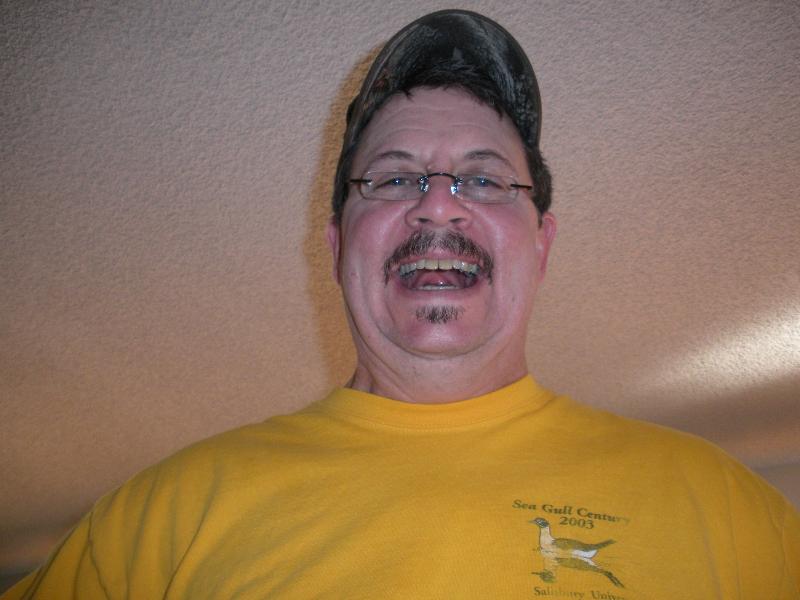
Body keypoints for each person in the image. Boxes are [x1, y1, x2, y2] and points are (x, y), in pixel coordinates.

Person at [4, 9, 798, 599]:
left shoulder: (729, 509)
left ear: (542, 243)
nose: (438, 205)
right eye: (393, 179)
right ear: (335, 244)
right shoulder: (159, 523)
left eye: (483, 178)